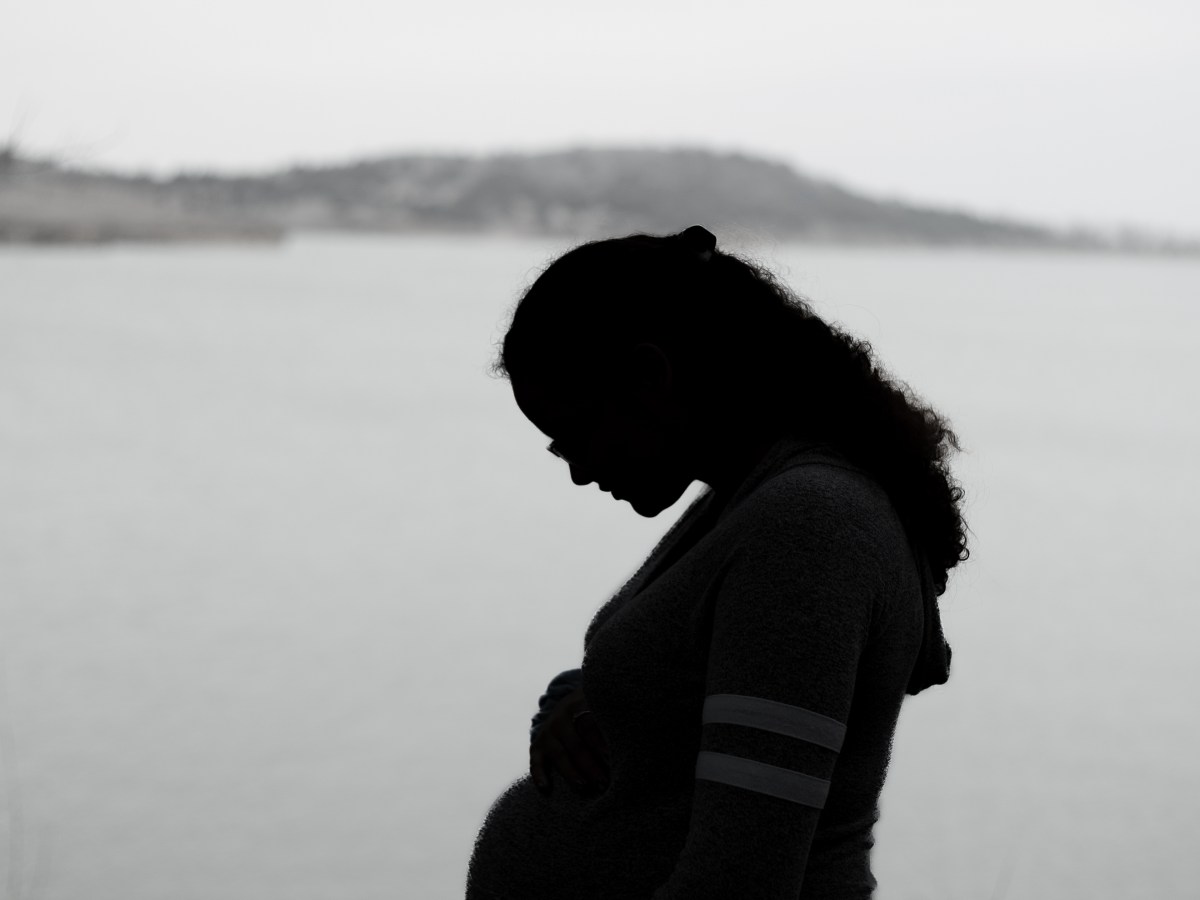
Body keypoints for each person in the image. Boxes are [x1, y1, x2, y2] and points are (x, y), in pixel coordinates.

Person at [465, 225, 967, 899]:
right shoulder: (754, 500)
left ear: (650, 376)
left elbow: (739, 882)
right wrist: (587, 701)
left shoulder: (808, 527)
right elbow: (707, 680)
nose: (581, 471)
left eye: (576, 436)